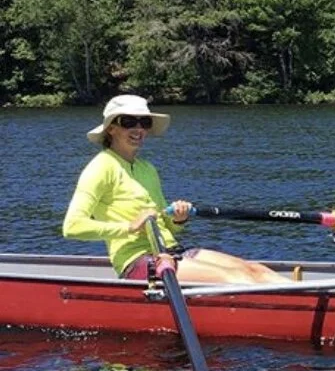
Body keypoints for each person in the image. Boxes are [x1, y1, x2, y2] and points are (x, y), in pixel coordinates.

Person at [63, 94, 285, 285]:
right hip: (139, 261)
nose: (138, 129)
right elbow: (72, 227)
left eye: (145, 123)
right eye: (129, 121)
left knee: (256, 270)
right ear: (111, 128)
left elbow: (166, 225)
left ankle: (311, 299)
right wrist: (128, 227)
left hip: (172, 252)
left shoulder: (147, 168)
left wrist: (179, 219)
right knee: (237, 280)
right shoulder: (100, 167)